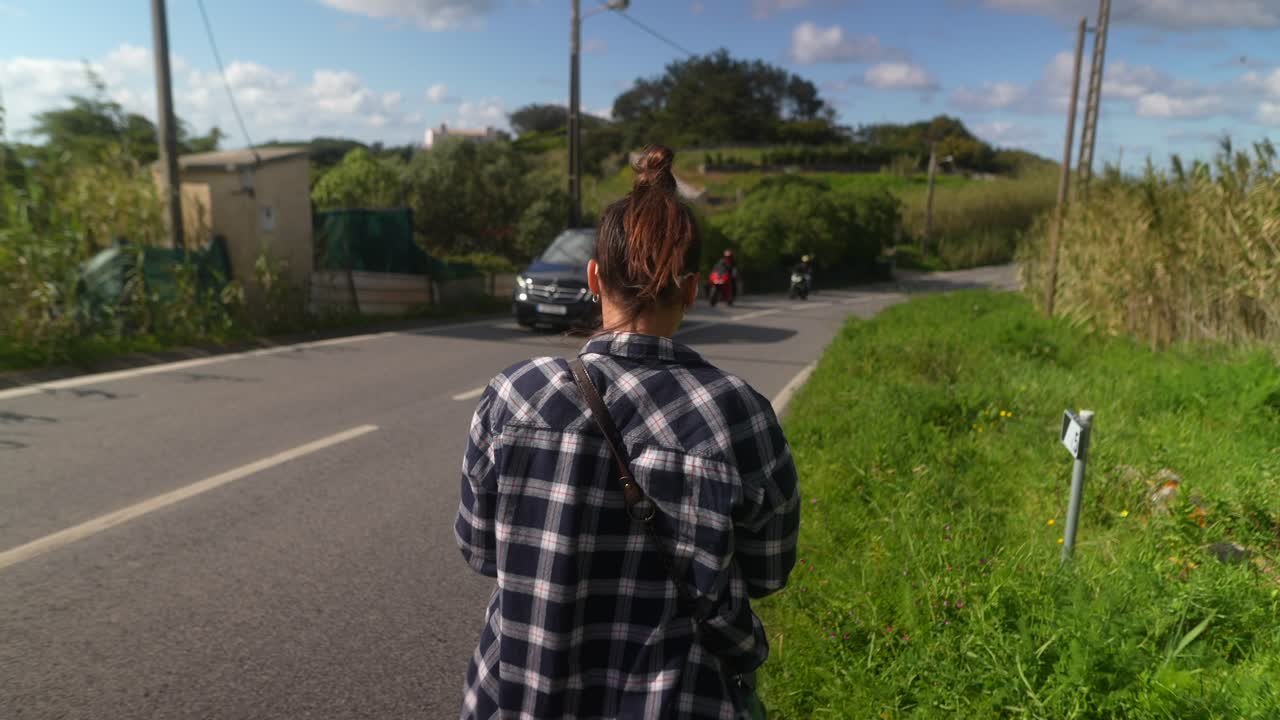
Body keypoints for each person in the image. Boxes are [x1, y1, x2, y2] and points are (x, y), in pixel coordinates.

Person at [455, 145, 800, 720]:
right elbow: (768, 573)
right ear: (692, 289)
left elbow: (478, 550)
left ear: (594, 277)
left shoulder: (514, 396)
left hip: (519, 698)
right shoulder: (740, 413)